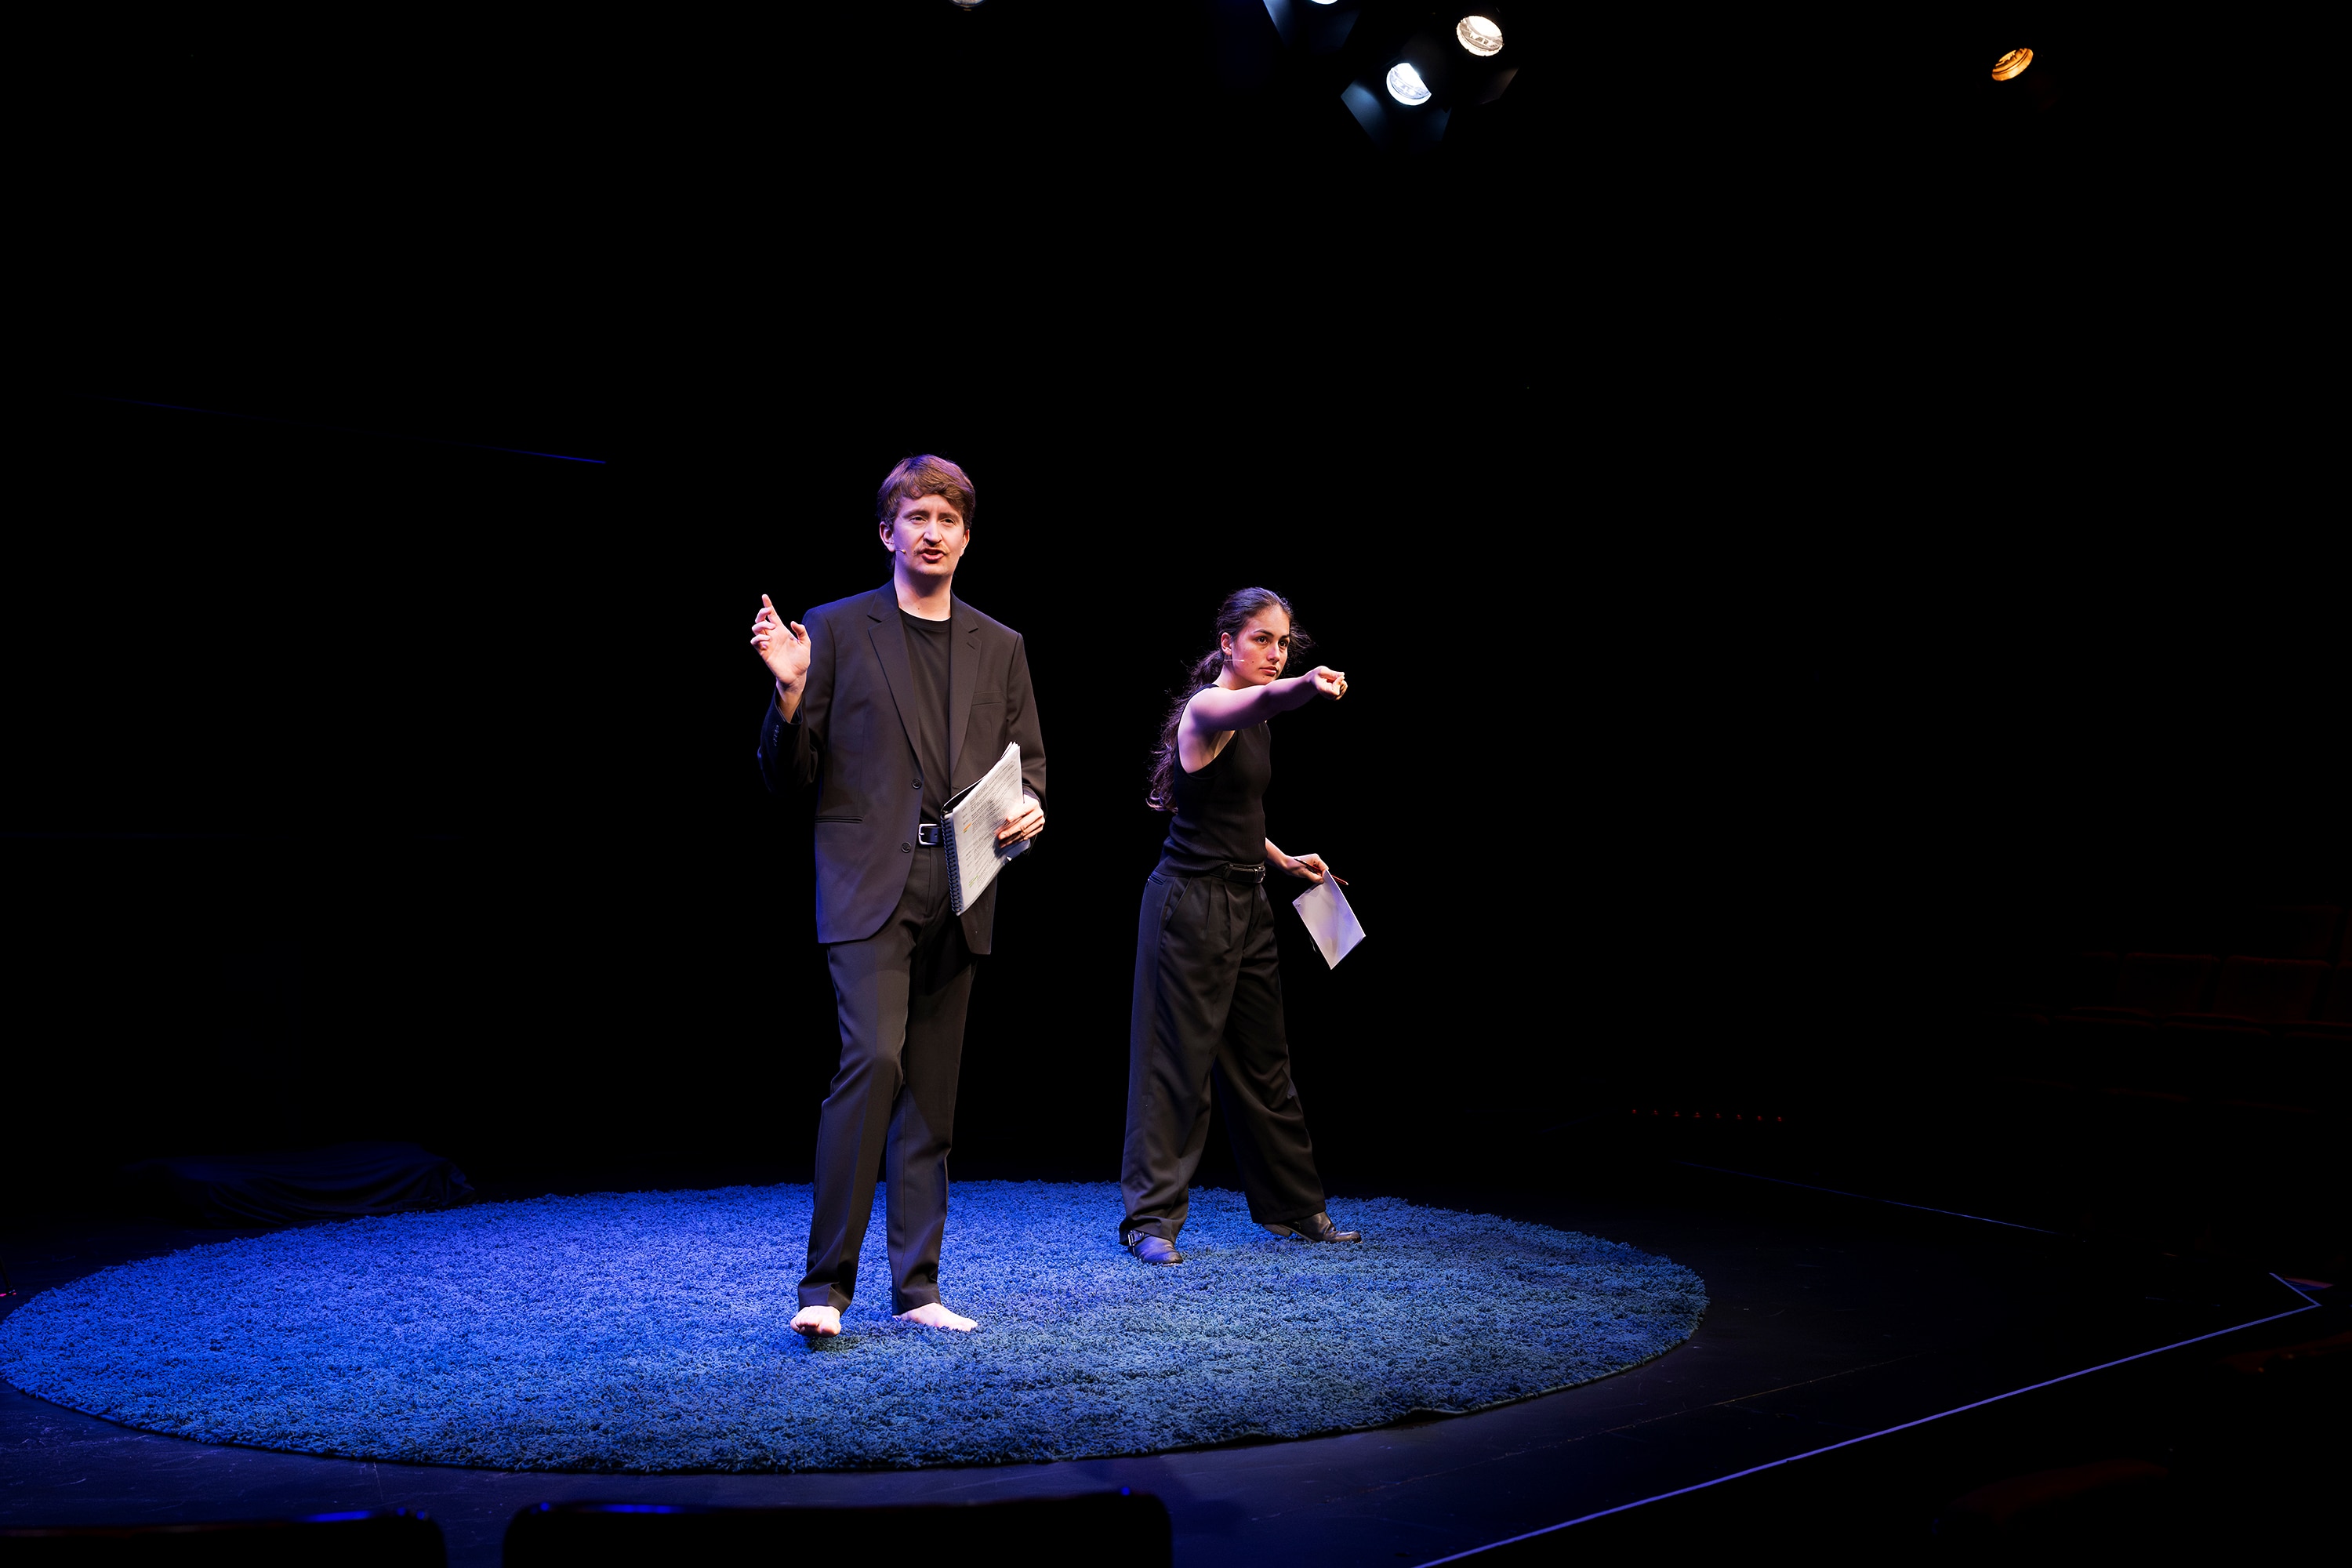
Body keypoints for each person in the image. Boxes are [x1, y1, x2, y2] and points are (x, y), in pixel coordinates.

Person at [750, 454, 1046, 1334]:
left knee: (932, 1090)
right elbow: (787, 776)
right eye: (916, 517)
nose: (932, 533)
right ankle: (823, 1289)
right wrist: (791, 691)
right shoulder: (836, 629)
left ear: (965, 535)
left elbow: (1028, 762)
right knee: (871, 1061)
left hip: (963, 879)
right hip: (866, 879)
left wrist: (1032, 808)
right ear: (888, 531)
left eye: (948, 520)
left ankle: (918, 1289)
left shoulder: (1000, 645)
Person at [1119, 586, 1359, 1265]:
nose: (1275, 654)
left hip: (1247, 904)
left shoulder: (1254, 720)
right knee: (1177, 1066)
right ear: (1227, 643)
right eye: (1262, 639)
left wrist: (1283, 860)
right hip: (1187, 906)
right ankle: (1151, 1222)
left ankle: (1295, 1208)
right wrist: (1306, 686)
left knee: (1265, 1062)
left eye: (1284, 643)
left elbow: (1229, 813)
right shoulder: (1213, 707)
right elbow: (1259, 699)